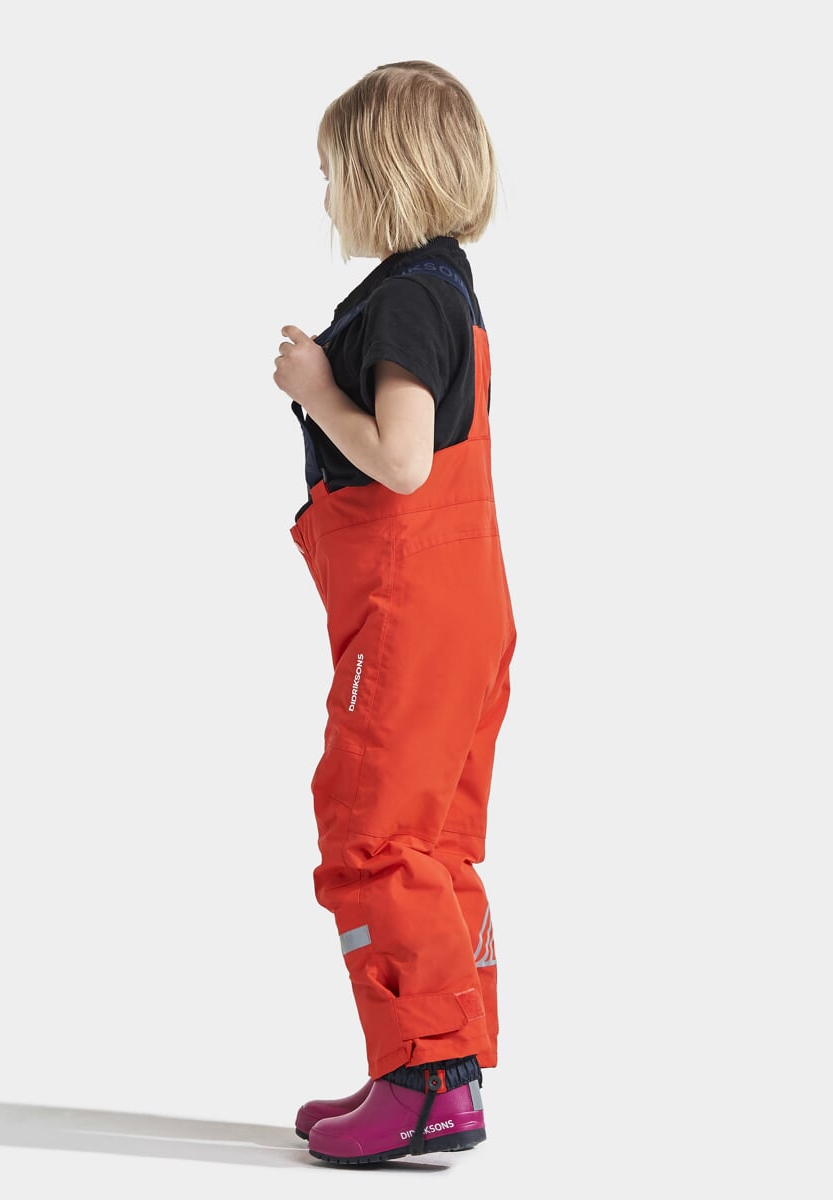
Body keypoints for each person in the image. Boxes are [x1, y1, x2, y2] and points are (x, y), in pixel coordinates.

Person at [272, 60, 517, 1166]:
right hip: (463, 609)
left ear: (383, 174)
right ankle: (438, 1068)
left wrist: (317, 390)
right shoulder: (447, 289)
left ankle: (424, 1080)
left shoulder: (409, 298)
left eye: (335, 172)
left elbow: (403, 462)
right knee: (436, 841)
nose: (328, 195)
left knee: (371, 828)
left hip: (411, 613)